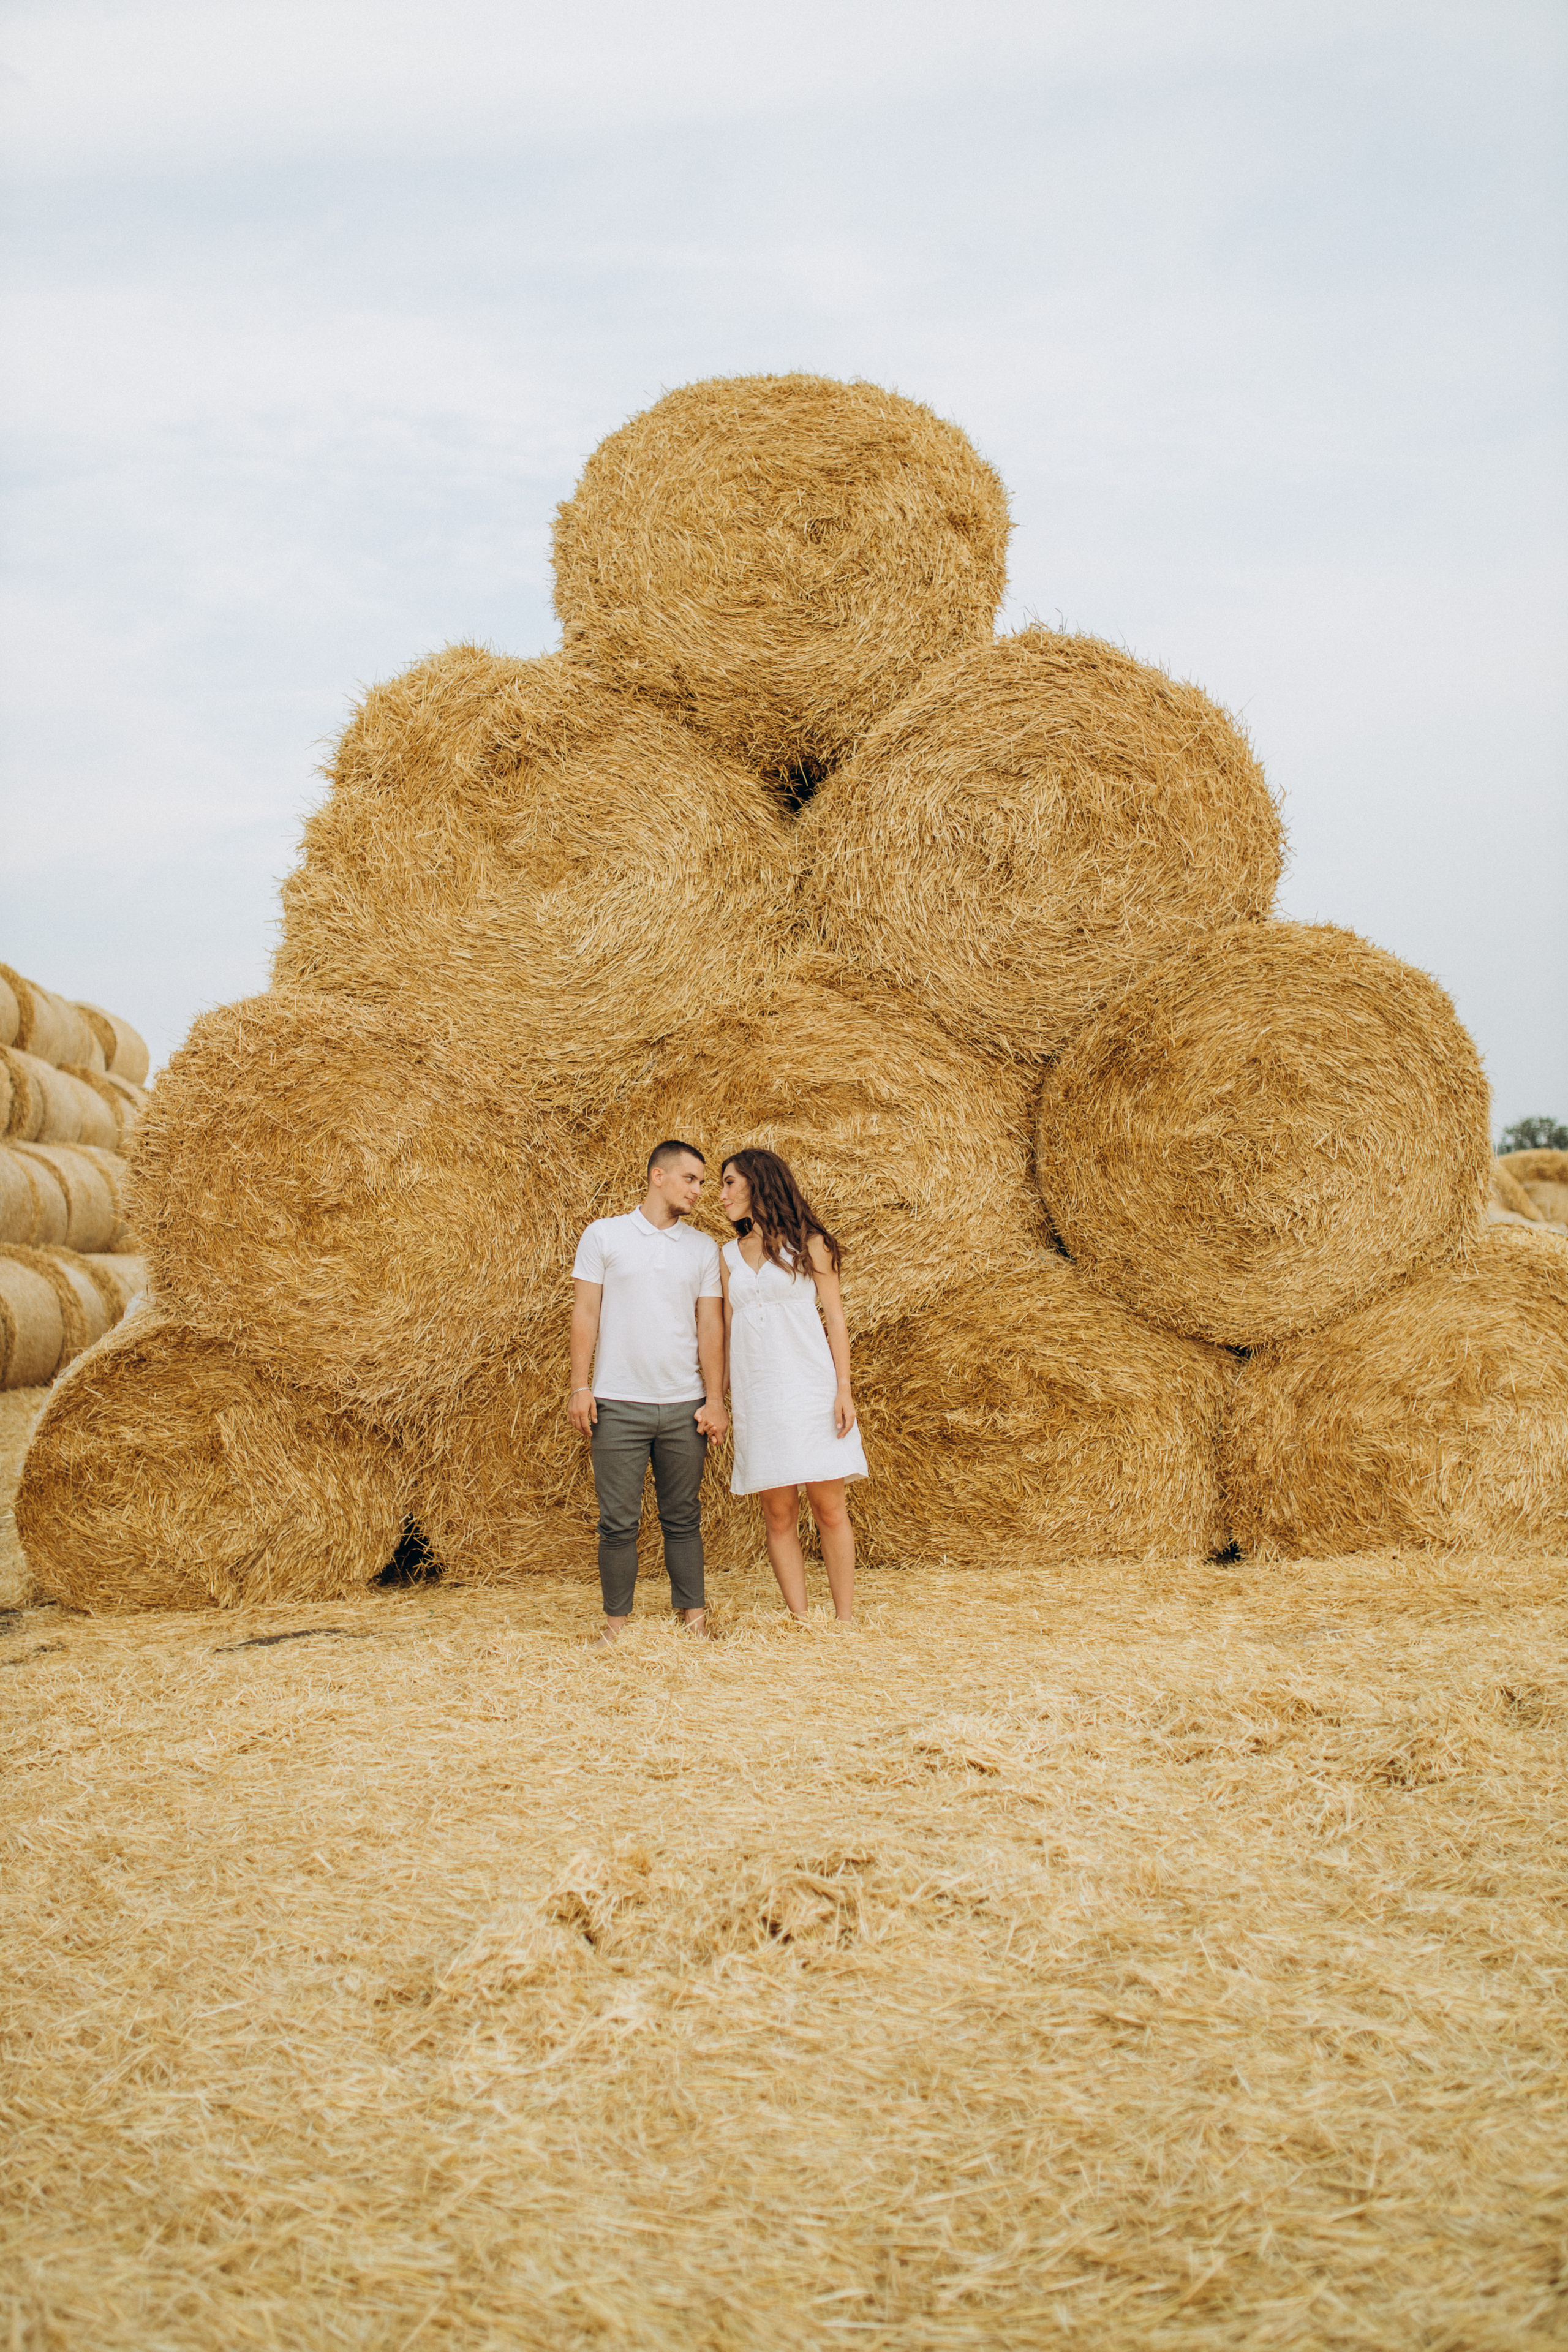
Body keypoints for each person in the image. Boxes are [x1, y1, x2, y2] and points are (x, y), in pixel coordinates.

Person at [570, 1140, 728, 1643]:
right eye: (691, 1179)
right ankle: (616, 1628)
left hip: (684, 1405)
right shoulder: (604, 1235)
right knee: (618, 1521)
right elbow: (586, 1313)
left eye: (703, 1182)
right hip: (618, 1403)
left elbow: (710, 1329)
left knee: (683, 1517)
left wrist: (716, 1400)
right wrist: (580, 1386)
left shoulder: (703, 1249)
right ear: (658, 1176)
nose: (700, 1191)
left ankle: (695, 1623)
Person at [717, 1147, 867, 1624]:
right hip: (758, 1397)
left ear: (757, 1184)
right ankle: (801, 1619)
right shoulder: (726, 1257)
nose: (720, 1196)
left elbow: (837, 1323)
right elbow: (724, 1333)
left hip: (811, 1392)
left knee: (829, 1507)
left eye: (729, 1183)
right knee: (779, 1515)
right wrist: (714, 1401)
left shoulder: (810, 1244)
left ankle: (843, 1621)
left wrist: (843, 1389)